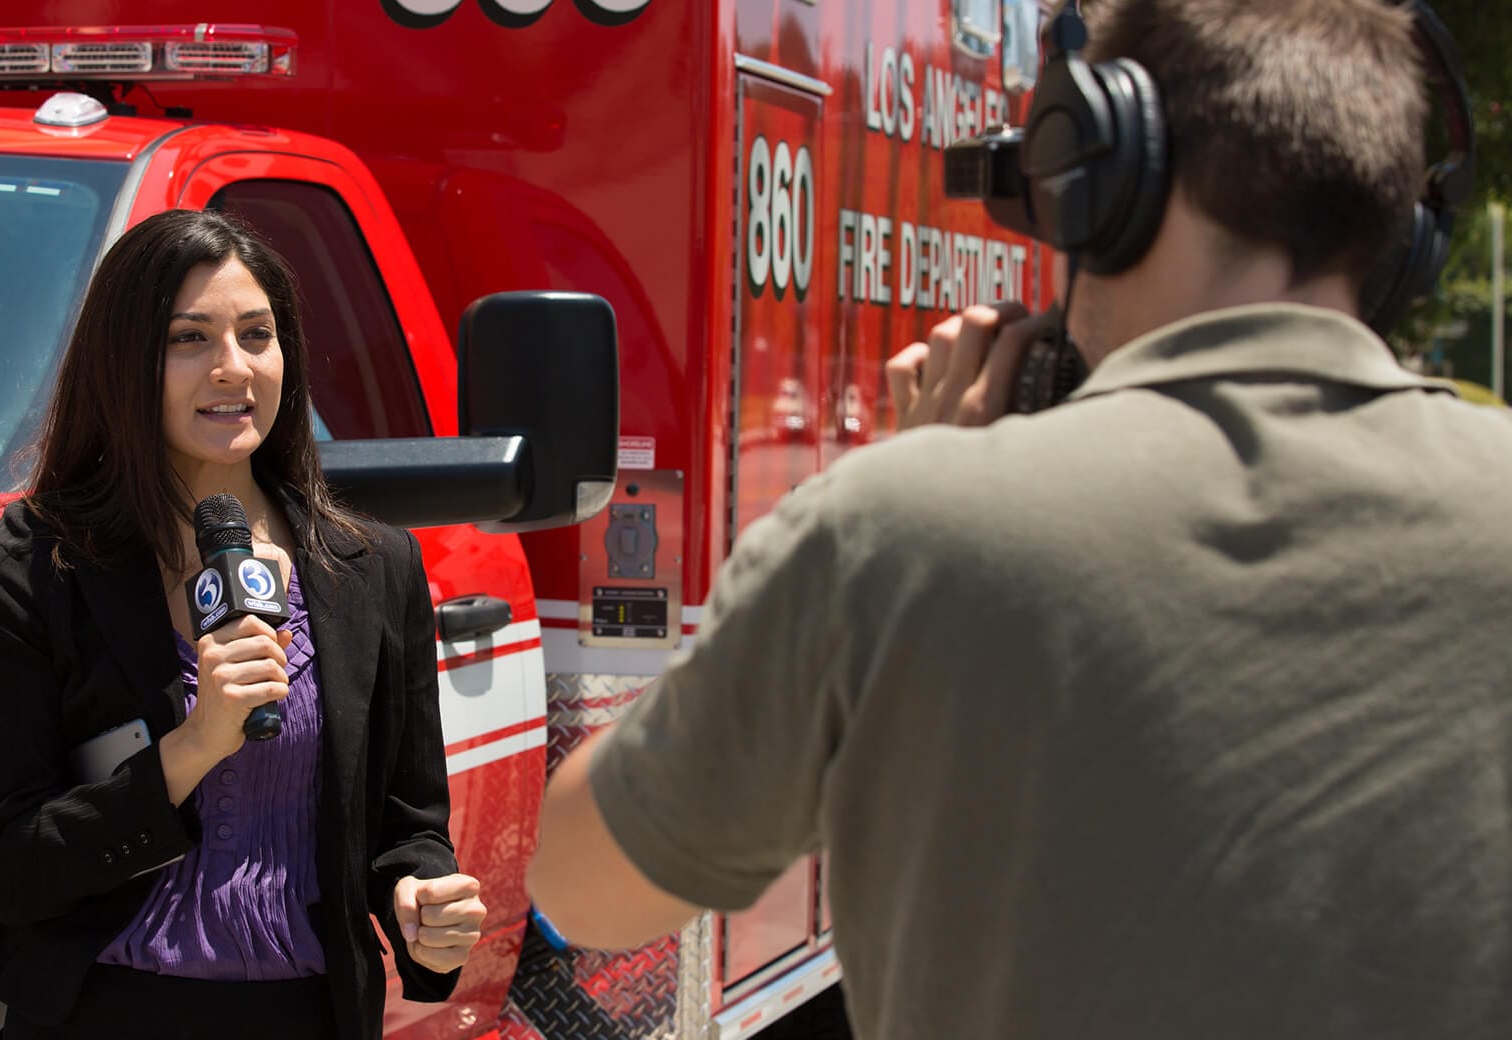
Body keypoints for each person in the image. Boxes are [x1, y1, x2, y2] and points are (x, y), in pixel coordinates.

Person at [527, 2, 1512, 1038]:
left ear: (1101, 170)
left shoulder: (901, 535)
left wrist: (898, 516)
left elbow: (584, 883)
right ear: (1407, 239)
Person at [0, 208, 486, 1039]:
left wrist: (422, 899)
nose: (233, 369)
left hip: (308, 1014)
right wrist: (192, 747)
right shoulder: (34, 566)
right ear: (123, 363)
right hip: (103, 1013)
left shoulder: (373, 567)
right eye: (190, 339)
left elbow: (405, 829)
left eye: (256, 336)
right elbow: (11, 873)